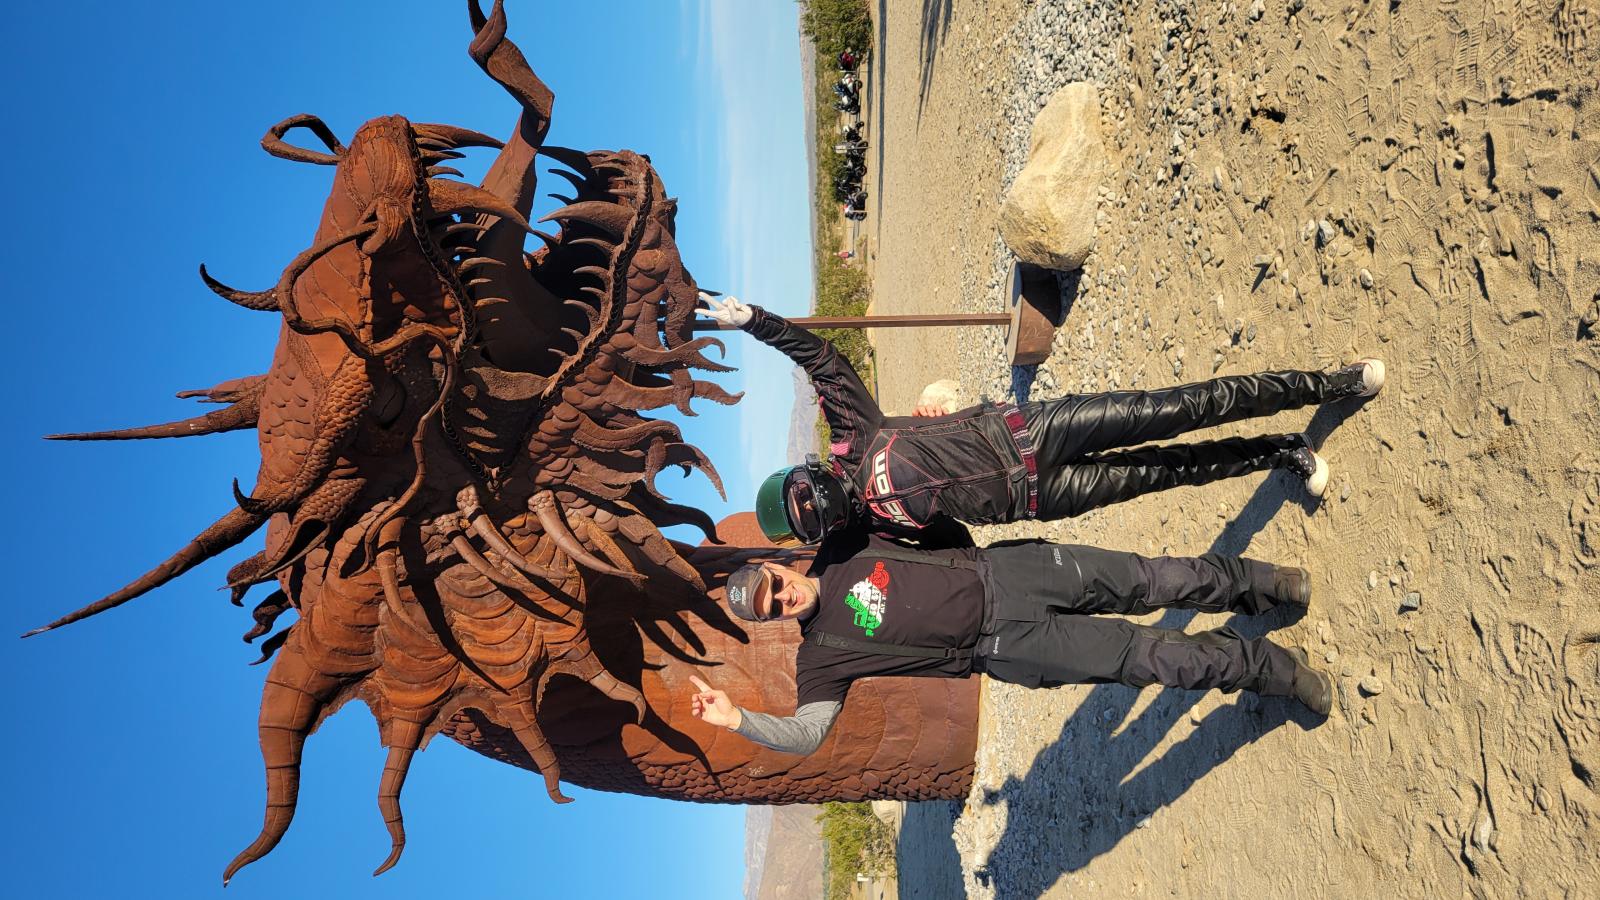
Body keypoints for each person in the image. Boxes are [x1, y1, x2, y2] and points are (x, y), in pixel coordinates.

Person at [696, 294, 1383, 545]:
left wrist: (755, 321)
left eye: (800, 495)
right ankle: (1280, 452)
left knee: (1180, 407)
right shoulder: (869, 539)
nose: (812, 507)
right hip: (1036, 499)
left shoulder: (855, 435)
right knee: (1170, 472)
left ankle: (1327, 383)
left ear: (806, 472)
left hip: (1031, 431)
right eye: (804, 520)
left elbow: (821, 359)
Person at [687, 522, 1334, 756]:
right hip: (1002, 646)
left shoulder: (843, 542)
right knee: (1145, 657)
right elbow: (807, 736)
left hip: (1009, 570)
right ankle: (1270, 668)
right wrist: (738, 719)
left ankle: (1259, 583)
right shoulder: (820, 662)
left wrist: (928, 416)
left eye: (773, 585)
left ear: (774, 566)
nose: (782, 598)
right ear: (772, 623)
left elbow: (901, 483)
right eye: (771, 609)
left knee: (1146, 578)